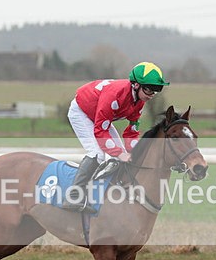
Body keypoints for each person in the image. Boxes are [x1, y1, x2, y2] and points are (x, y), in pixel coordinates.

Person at [61, 61, 169, 212]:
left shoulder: (139, 101)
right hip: (82, 113)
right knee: (97, 154)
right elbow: (100, 131)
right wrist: (120, 153)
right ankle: (73, 197)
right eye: (149, 89)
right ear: (136, 85)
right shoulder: (115, 95)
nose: (151, 95)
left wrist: (134, 152)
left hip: (98, 116)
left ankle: (112, 192)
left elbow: (131, 133)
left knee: (120, 154)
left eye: (156, 90)